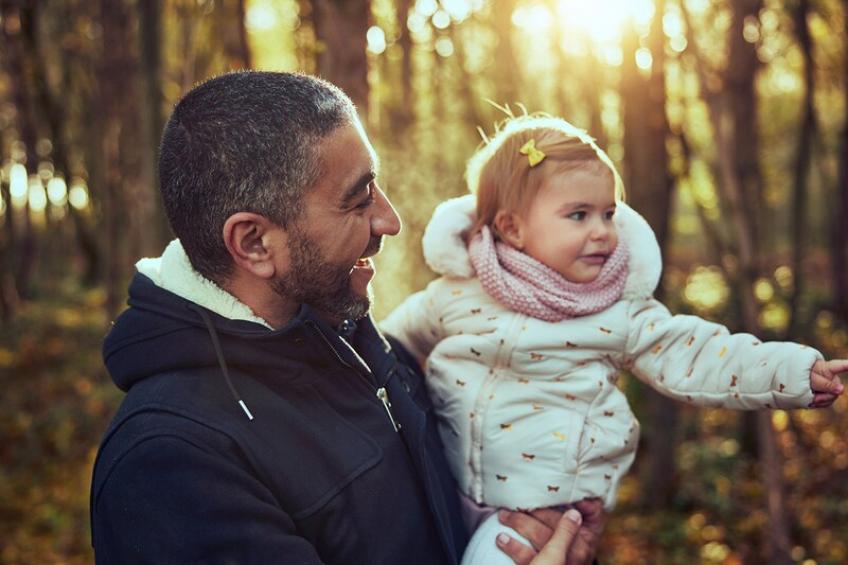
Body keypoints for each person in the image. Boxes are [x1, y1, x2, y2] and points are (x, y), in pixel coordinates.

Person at [89, 71, 602, 564]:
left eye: (376, 186)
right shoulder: (170, 466)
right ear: (254, 242)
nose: (390, 220)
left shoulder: (367, 348)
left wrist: (535, 531)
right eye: (358, 201)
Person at [380, 115, 848, 564]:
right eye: (579, 215)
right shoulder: (457, 293)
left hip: (539, 514)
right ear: (512, 228)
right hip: (448, 490)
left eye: (607, 213)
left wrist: (794, 373)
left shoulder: (615, 310)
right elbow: (388, 347)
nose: (602, 231)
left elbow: (696, 351)